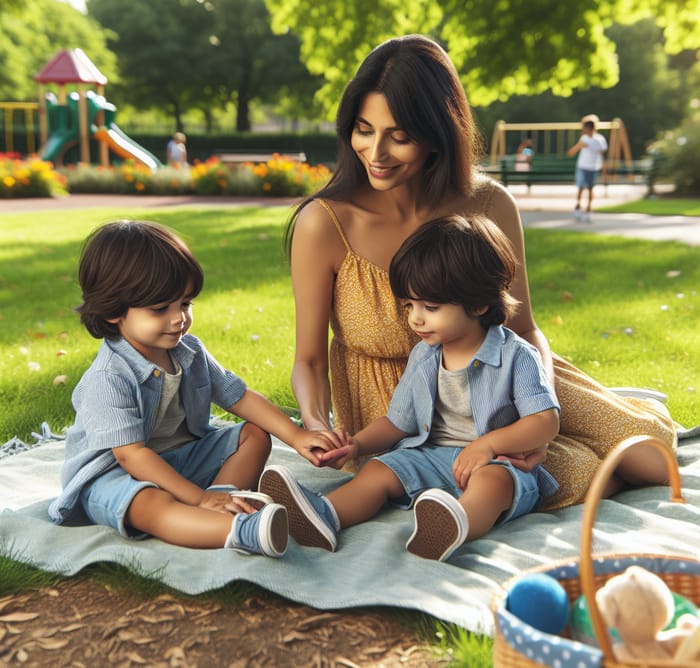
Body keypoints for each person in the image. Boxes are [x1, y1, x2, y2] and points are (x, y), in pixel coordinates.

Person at [285, 33, 676, 510]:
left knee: (653, 453)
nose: (376, 152)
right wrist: (315, 420)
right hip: (398, 412)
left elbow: (524, 326)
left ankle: (629, 416)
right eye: (363, 129)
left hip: (506, 377)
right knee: (574, 475)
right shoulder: (324, 223)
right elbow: (308, 360)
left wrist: (539, 407)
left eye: (399, 136)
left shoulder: (488, 203)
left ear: (438, 133)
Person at [261, 215, 561, 561]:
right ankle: (324, 515)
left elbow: (545, 421)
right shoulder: (424, 355)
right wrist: (356, 445)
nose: (415, 319)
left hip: (497, 462)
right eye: (410, 306)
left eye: (430, 308)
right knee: (380, 469)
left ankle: (454, 523)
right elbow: (398, 422)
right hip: (431, 456)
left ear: (479, 304)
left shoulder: (516, 355)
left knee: (493, 485)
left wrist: (488, 445)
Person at [48, 220, 346, 556]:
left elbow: (240, 396)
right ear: (114, 310)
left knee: (254, 434)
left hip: (181, 459)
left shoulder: (189, 351)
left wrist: (296, 436)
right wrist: (198, 497)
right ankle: (241, 530)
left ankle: (226, 497)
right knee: (151, 504)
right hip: (118, 476)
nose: (179, 319)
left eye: (185, 304)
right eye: (161, 309)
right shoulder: (109, 378)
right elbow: (132, 456)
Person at [566, 115, 608, 222]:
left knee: (590, 188)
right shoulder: (584, 139)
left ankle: (588, 209)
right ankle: (578, 207)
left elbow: (602, 151)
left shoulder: (599, 139)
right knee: (580, 187)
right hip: (582, 166)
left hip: (593, 167)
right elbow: (573, 151)